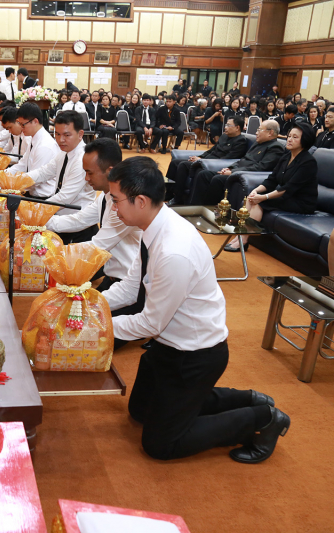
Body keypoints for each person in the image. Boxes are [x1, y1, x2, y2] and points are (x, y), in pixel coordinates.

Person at [102, 156, 289, 463]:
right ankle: (243, 398)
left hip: (195, 354)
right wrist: (90, 303)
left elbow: (150, 324)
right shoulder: (152, 226)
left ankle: (262, 418)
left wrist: (97, 325)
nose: (113, 208)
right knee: (140, 412)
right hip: (168, 346)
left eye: (116, 200)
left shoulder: (174, 250)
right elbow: (130, 287)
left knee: (160, 444)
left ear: (140, 200)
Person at [46, 138, 140, 291]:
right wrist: (41, 222)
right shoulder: (105, 196)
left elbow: (97, 246)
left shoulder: (124, 205)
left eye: (90, 173)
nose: (86, 179)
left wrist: (53, 252)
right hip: (112, 275)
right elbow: (79, 220)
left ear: (110, 171)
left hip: (126, 282)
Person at [225, 123, 318, 252]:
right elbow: (272, 179)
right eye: (289, 136)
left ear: (305, 140)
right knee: (250, 198)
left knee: (259, 204)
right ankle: (239, 236)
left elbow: (288, 188)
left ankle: (243, 240)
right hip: (286, 197)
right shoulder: (286, 156)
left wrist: (263, 197)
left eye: (295, 137)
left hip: (301, 202)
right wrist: (256, 191)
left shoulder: (308, 161)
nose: (290, 139)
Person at [24, 111, 96, 231]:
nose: (60, 140)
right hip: (59, 218)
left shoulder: (82, 159)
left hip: (77, 225)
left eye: (66, 135)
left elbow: (64, 197)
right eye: (57, 134)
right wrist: (17, 180)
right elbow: (43, 172)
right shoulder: (64, 153)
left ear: (80, 134)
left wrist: (35, 209)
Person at [190, 119, 285, 205]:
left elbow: (261, 167)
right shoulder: (258, 143)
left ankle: (208, 209)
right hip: (236, 171)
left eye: (259, 130)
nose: (256, 133)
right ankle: (195, 206)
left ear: (270, 132)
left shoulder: (275, 147)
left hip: (244, 175)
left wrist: (234, 172)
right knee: (204, 174)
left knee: (217, 179)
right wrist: (230, 168)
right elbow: (243, 159)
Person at [167, 116, 248, 205]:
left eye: (228, 125)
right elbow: (211, 150)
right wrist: (200, 157)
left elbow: (228, 158)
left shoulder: (240, 141)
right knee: (175, 162)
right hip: (206, 160)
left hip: (213, 164)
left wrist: (203, 161)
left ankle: (178, 198)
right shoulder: (224, 136)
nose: (225, 127)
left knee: (183, 165)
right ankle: (169, 193)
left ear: (237, 128)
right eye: (226, 124)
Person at [8, 102, 60, 175]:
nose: (21, 128)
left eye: (23, 125)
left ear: (35, 121)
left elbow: (34, 179)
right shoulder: (34, 139)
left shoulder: (44, 145)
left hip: (40, 186)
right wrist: (2, 174)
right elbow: (22, 164)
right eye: (20, 124)